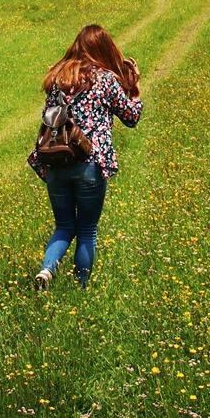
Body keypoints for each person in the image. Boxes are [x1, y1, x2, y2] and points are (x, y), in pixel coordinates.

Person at [29, 24, 143, 290]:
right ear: (103, 48)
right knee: (87, 229)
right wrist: (134, 87)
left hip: (56, 159)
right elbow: (131, 116)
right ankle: (80, 287)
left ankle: (47, 270)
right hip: (89, 162)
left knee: (64, 225)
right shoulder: (104, 79)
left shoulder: (57, 79)